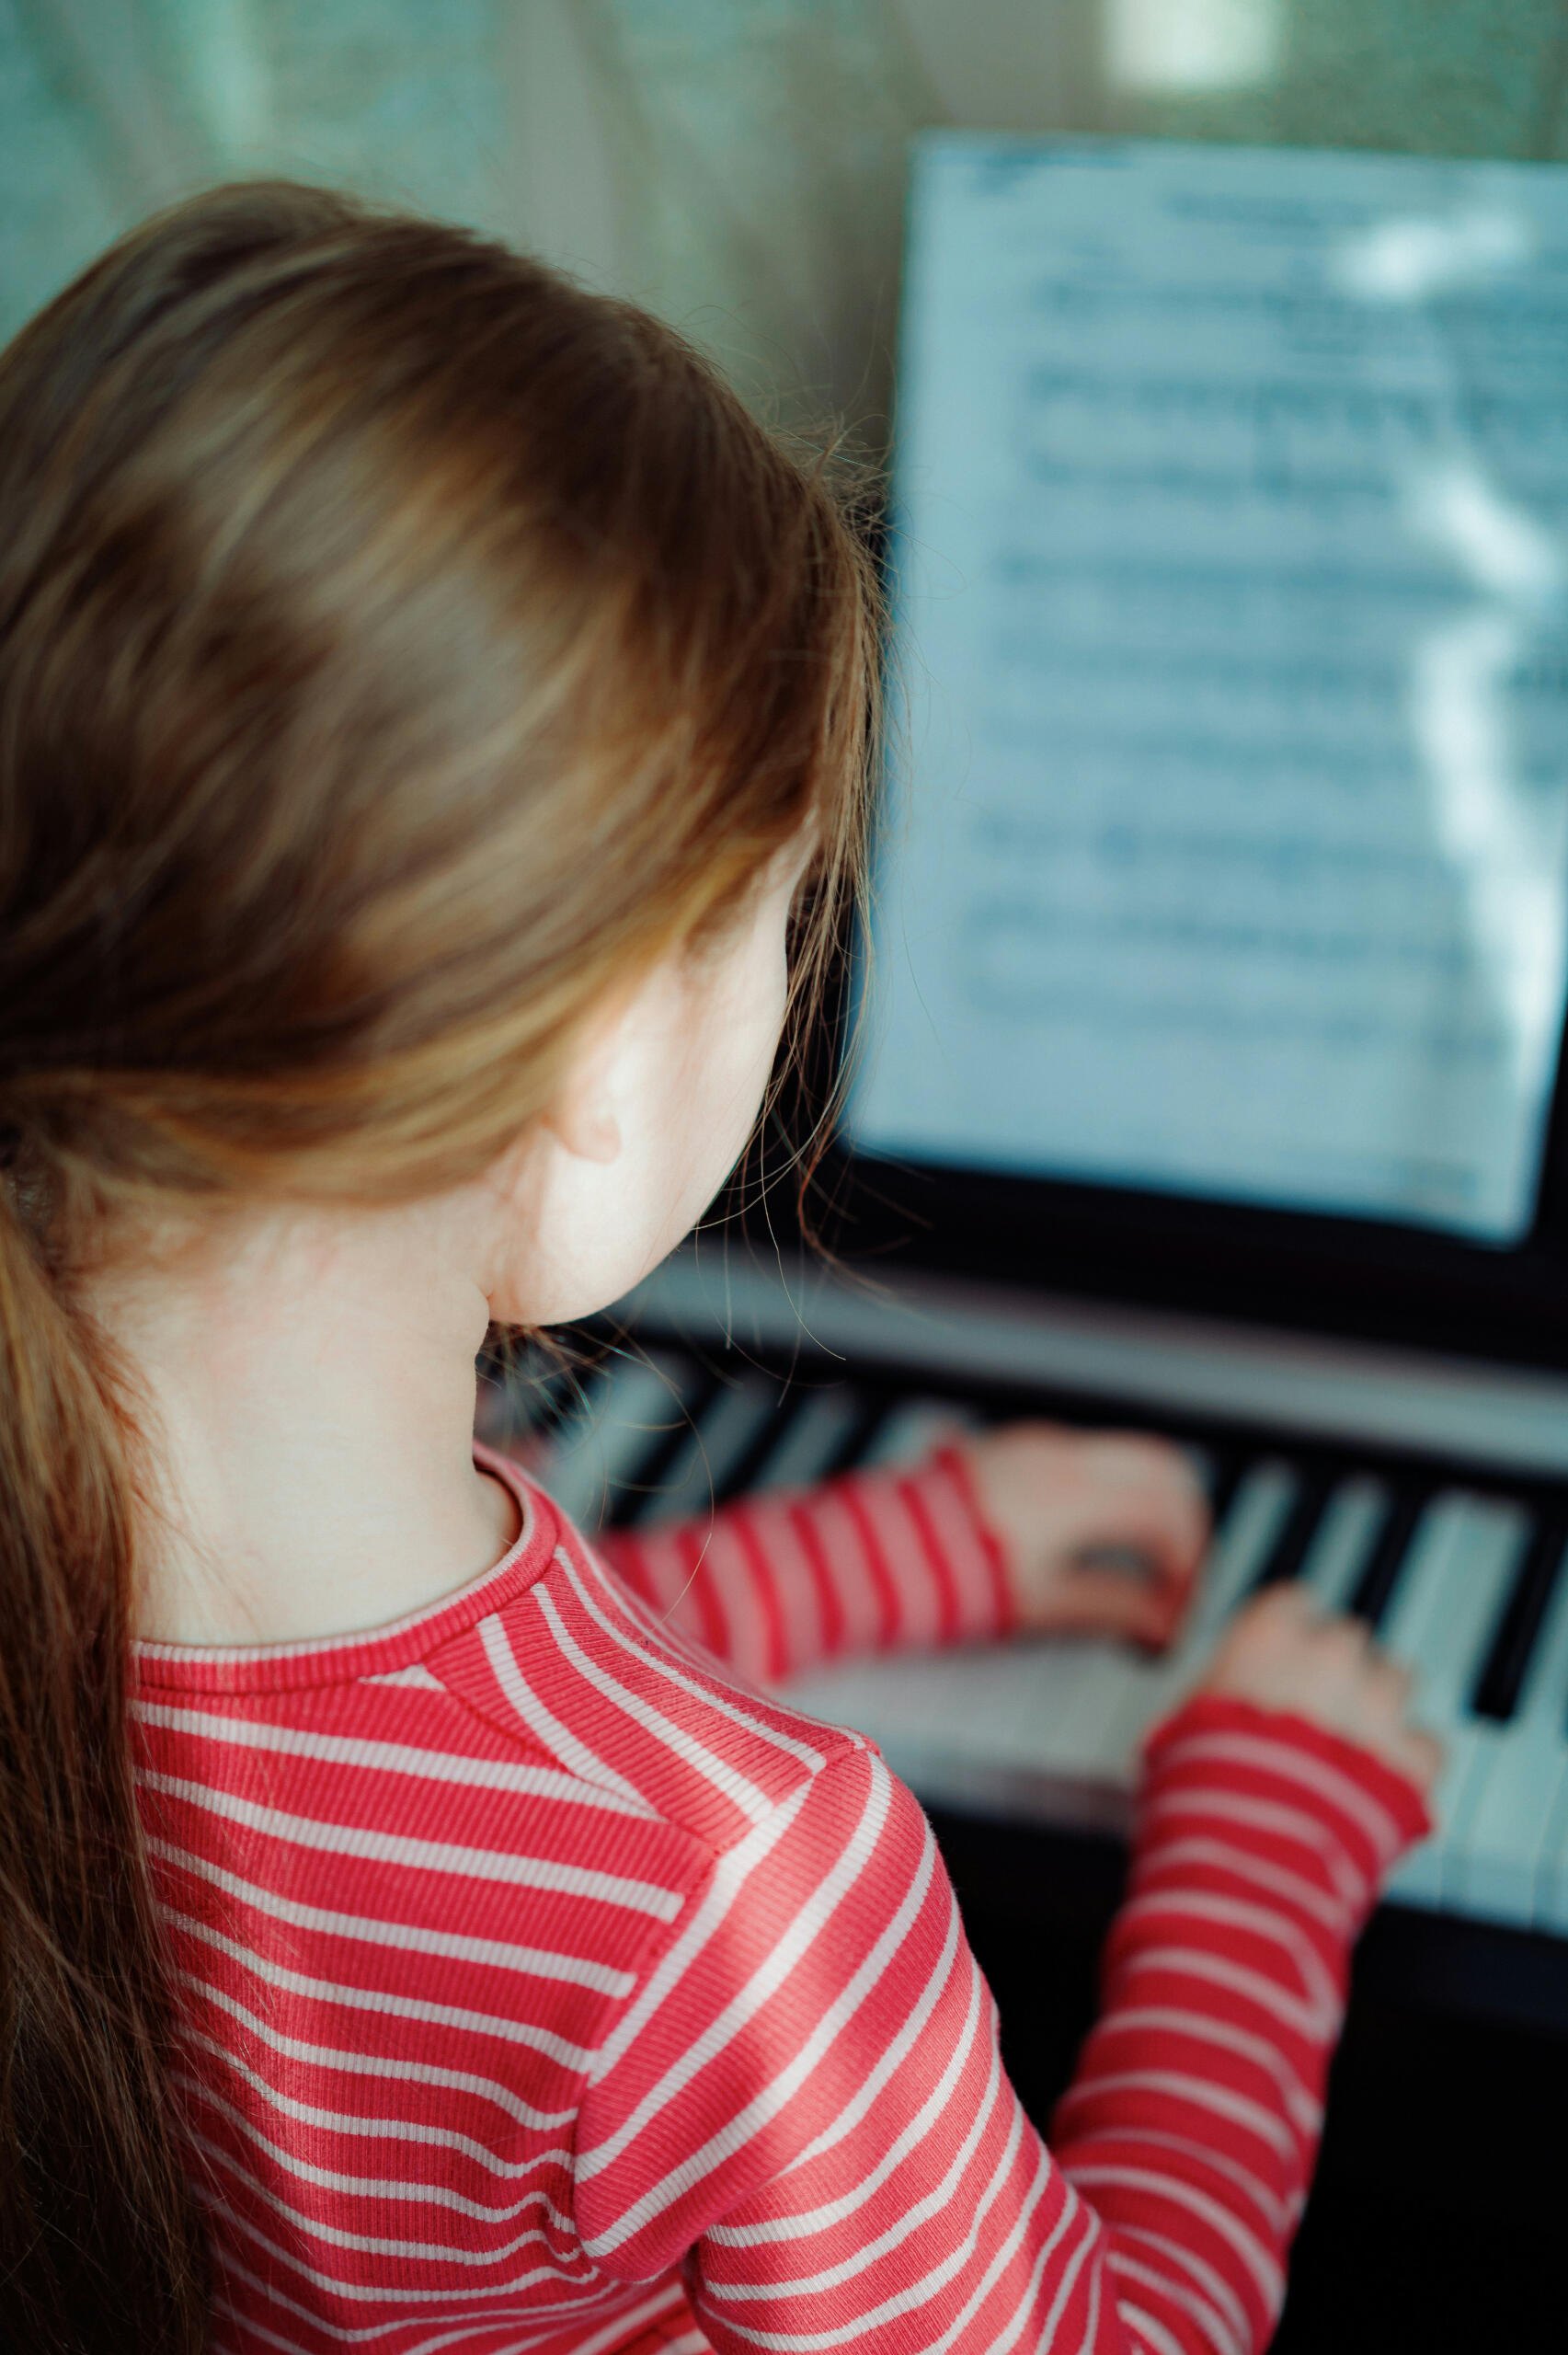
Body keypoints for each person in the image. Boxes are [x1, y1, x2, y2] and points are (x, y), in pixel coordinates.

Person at [0, 182, 1438, 2355]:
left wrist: (909, 1547)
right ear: (587, 1066)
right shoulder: (741, 1886)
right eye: (786, 921)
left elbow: (407, 1760)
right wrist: (1266, 1828)